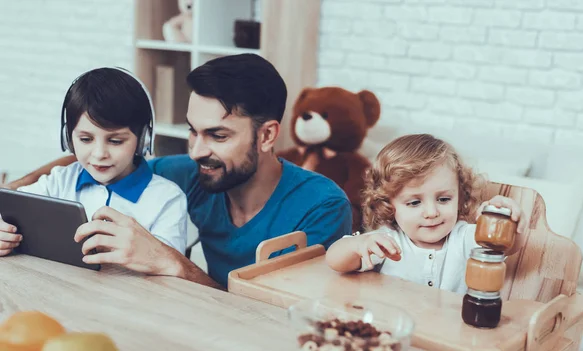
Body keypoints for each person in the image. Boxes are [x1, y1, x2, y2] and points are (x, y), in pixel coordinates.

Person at [4, 54, 353, 289]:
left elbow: (265, 316)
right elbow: (106, 163)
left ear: (266, 135)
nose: (197, 151)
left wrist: (171, 262)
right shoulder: (193, 172)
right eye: (192, 131)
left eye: (218, 135)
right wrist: (16, 191)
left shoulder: (322, 205)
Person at [0, 67, 187, 257]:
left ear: (143, 140)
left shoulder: (167, 199)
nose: (99, 154)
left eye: (115, 141)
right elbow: (10, 210)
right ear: (68, 138)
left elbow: (170, 272)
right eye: (86, 139)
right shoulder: (58, 181)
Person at [325, 134, 526, 293]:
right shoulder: (388, 241)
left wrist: (505, 220)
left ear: (460, 196)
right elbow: (335, 260)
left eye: (444, 199)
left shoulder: (464, 237)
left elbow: (506, 247)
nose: (431, 212)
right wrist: (357, 245)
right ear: (388, 205)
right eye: (414, 202)